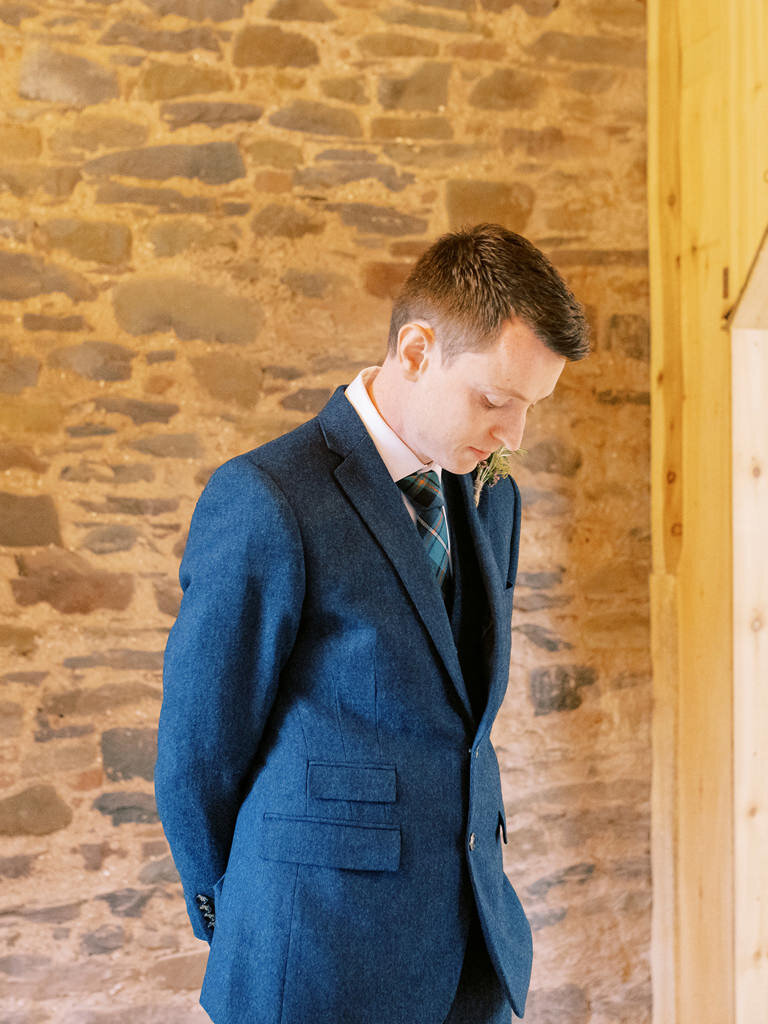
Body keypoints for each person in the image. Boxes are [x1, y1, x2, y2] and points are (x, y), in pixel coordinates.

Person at [154, 223, 589, 1024]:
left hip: (474, 957)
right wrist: (249, 922)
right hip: (312, 961)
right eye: (495, 399)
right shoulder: (267, 497)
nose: (512, 436)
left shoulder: (495, 501)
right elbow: (195, 757)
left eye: (531, 409)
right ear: (417, 351)